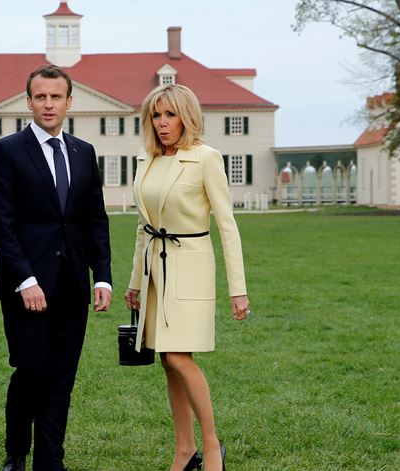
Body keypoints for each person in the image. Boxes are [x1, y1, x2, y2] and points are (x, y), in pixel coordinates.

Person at [0, 64, 112, 471]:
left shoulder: (83, 152)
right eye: (40, 96)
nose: (48, 103)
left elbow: (95, 219)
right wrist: (25, 279)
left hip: (73, 283)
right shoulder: (6, 151)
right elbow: (0, 223)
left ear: (69, 101)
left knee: (61, 376)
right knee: (31, 369)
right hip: (26, 286)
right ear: (28, 101)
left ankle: (50, 461)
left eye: (56, 96)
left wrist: (103, 275)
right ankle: (16, 452)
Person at [124, 83, 251, 471]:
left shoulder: (206, 158)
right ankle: (184, 450)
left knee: (180, 357)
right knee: (166, 359)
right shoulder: (146, 160)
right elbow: (143, 227)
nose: (162, 124)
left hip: (191, 266)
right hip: (154, 273)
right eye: (156, 116)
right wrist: (134, 281)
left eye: (170, 115)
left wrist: (238, 290)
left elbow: (227, 226)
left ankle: (212, 448)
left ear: (187, 117)